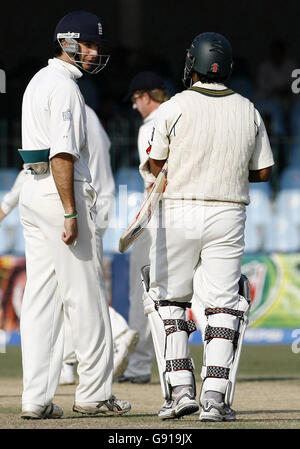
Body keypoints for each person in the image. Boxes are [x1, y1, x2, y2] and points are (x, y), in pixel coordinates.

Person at [140, 32, 274, 421]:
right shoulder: (248, 108)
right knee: (223, 305)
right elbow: (263, 170)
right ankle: (215, 397)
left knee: (171, 300)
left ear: (192, 63)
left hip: (179, 210)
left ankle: (181, 391)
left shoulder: (174, 106)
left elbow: (154, 165)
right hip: (228, 213)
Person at [17, 10, 130, 419]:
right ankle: (94, 393)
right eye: (89, 43)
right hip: (60, 195)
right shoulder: (64, 88)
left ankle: (35, 398)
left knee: (41, 300)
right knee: (86, 297)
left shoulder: (37, 82)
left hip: (34, 190)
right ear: (68, 42)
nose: (95, 51)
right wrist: (70, 211)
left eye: (97, 44)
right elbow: (62, 153)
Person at [117, 72, 169, 384]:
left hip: (160, 215)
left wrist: (141, 219)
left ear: (144, 97)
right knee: (185, 294)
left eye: (136, 101)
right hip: (196, 210)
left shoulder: (149, 127)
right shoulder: (182, 115)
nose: (135, 107)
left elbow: (154, 178)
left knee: (144, 293)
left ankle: (138, 368)